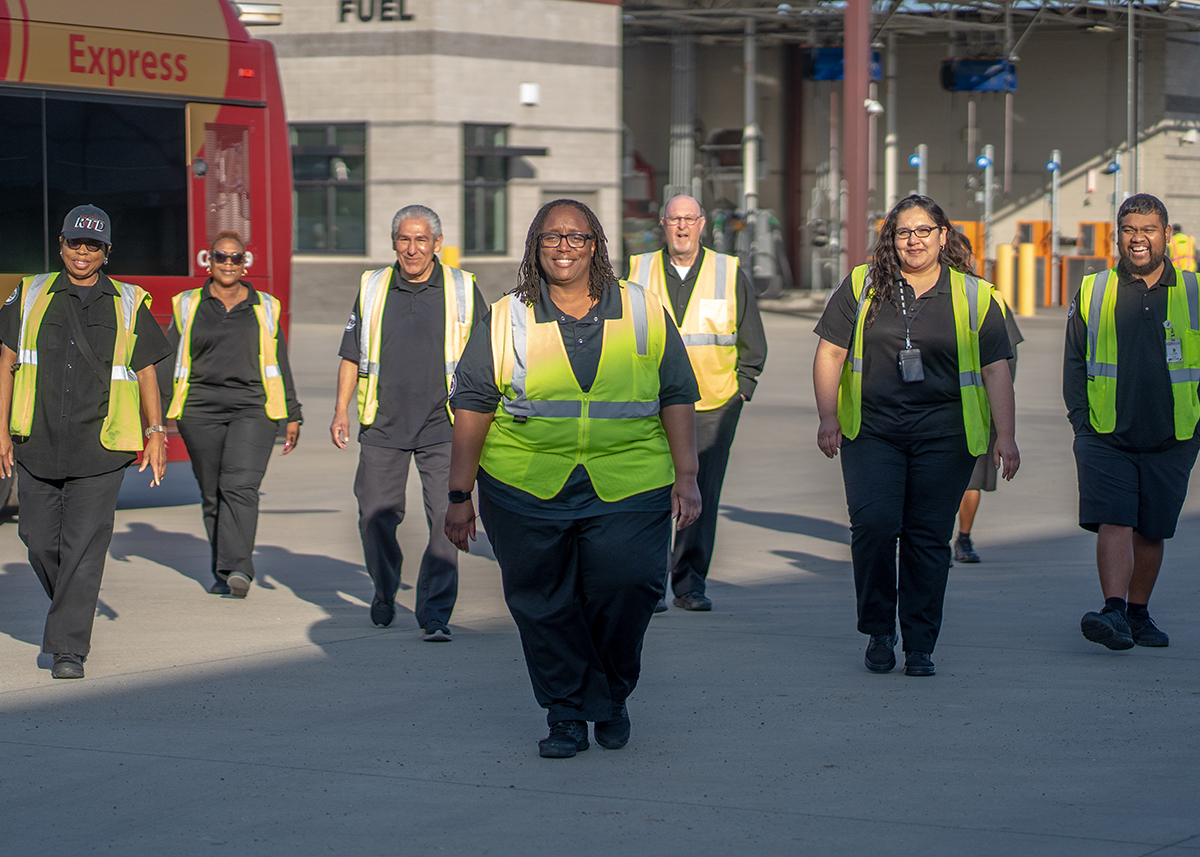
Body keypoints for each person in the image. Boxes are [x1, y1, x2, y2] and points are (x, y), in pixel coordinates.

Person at [444, 199, 701, 757]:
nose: (564, 247)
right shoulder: (507, 314)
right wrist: (460, 494)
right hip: (525, 484)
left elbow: (677, 392)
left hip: (629, 479)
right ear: (535, 247)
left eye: (576, 237)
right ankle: (565, 713)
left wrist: (688, 475)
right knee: (543, 603)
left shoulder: (641, 308)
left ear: (596, 246)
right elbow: (473, 405)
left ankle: (611, 693)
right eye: (551, 238)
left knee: (628, 586)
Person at [812, 195, 1018, 677]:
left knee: (928, 540)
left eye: (924, 230)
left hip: (945, 437)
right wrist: (827, 416)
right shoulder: (863, 286)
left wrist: (1004, 435)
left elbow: (996, 370)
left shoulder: (974, 295)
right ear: (892, 238)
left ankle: (920, 643)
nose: (915, 240)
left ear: (943, 236)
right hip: (873, 433)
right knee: (875, 527)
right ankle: (880, 630)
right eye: (905, 232)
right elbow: (829, 353)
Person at [0, 205, 172, 679]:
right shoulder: (31, 293)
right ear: (61, 245)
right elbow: (7, 361)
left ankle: (67, 649)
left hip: (101, 448)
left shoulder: (129, 301)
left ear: (106, 252)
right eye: (76, 242)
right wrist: (0, 432)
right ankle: (73, 604)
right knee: (36, 539)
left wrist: (156, 432)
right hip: (37, 442)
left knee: (84, 549)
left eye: (92, 245)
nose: (82, 251)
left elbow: (145, 372)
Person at [331, 204, 484, 641]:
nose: (411, 248)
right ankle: (384, 585)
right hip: (383, 424)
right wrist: (341, 410)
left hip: (445, 425)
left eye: (421, 240)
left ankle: (435, 613)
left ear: (437, 244)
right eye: (404, 239)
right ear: (394, 242)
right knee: (374, 517)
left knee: (446, 520)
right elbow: (350, 353)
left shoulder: (463, 288)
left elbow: (489, 356)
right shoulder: (373, 287)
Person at [1066, 194, 1200, 650]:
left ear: (1166, 234)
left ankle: (1138, 614)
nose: (1138, 239)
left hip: (1174, 434)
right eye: (1129, 230)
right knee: (1115, 519)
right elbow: (1074, 361)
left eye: (1148, 230)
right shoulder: (1094, 289)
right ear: (1117, 235)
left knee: (1152, 527)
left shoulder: (1194, 292)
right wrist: (1081, 423)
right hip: (1106, 432)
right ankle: (1114, 611)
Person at [626, 194, 767, 612]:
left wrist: (743, 389)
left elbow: (751, 339)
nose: (682, 227)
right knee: (648, 495)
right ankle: (650, 584)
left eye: (689, 219)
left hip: (713, 405)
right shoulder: (638, 270)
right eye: (674, 219)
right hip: (649, 405)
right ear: (663, 224)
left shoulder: (729, 272)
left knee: (700, 496)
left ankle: (689, 584)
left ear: (702, 225)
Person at [160, 231, 302, 598]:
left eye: (235, 258)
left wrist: (293, 413)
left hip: (253, 408)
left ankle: (239, 567)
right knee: (212, 492)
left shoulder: (264, 307)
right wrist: (155, 417)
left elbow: (281, 364)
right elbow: (166, 361)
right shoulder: (187, 305)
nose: (227, 264)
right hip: (199, 409)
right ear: (208, 261)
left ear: (245, 263)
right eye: (220, 257)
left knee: (239, 486)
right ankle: (222, 570)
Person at [953, 295, 1024, 563]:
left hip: (978, 408)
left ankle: (963, 537)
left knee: (972, 478)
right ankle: (932, 541)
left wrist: (999, 406)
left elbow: (1008, 361)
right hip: (932, 407)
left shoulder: (987, 299)